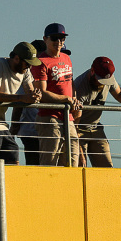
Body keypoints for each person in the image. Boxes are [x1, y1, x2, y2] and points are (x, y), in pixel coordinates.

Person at [70, 56, 121, 168]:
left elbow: (119, 94)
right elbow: (75, 122)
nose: (102, 84)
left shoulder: (109, 78)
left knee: (106, 167)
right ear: (92, 71)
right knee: (80, 165)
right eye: (100, 80)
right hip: (78, 129)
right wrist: (79, 150)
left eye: (106, 81)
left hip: (95, 127)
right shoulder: (80, 87)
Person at [33, 23, 81, 167]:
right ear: (45, 39)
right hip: (50, 117)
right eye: (55, 38)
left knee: (73, 160)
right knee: (50, 161)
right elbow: (41, 93)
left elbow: (70, 83)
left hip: (68, 116)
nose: (59, 42)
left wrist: (75, 100)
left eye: (62, 38)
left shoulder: (66, 58)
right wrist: (66, 99)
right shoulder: (40, 62)